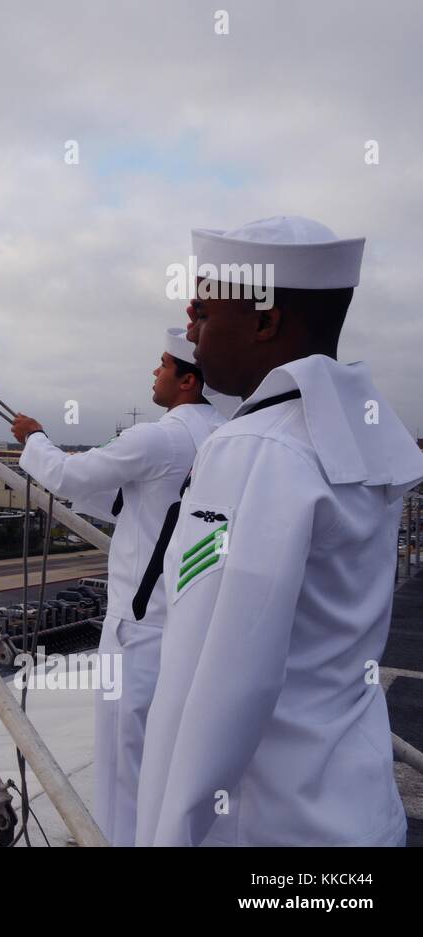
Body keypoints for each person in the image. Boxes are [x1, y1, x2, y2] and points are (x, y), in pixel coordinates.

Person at [136, 216, 423, 846]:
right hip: (356, 813)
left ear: (265, 321)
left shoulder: (256, 448)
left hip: (268, 832)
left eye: (204, 309)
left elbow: (216, 683)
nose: (191, 326)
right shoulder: (353, 432)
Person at [10, 332, 225, 845]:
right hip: (193, 621)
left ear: (188, 380)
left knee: (122, 759)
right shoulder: (223, 435)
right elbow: (142, 503)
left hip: (138, 626)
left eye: (163, 365)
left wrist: (34, 438)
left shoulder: (158, 437)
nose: (155, 373)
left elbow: (66, 474)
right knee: (176, 757)